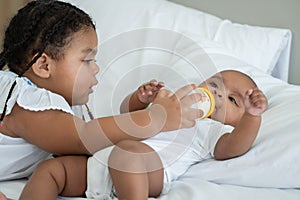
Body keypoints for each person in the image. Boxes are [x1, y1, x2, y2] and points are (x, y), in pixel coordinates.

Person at [0, 1, 202, 199]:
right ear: (44, 66)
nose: (96, 68)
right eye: (87, 61)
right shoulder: (25, 100)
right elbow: (84, 138)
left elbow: (98, 142)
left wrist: (137, 108)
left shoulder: (60, 109)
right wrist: (155, 119)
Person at [89, 69, 268, 199]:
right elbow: (128, 116)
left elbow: (233, 147)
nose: (217, 93)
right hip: (100, 165)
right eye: (214, 84)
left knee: (127, 151)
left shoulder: (213, 128)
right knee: (63, 168)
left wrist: (252, 117)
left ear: (238, 120)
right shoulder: (171, 103)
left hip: (147, 171)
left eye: (232, 100)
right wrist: (140, 100)